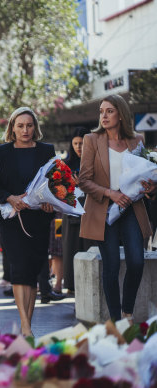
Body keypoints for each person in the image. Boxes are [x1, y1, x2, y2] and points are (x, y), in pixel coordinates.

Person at [79, 94, 154, 322]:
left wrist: (150, 186)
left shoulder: (137, 140)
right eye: (101, 111)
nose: (104, 115)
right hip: (103, 210)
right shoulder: (91, 139)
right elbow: (84, 180)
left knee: (136, 262)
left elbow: (145, 175)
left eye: (109, 111)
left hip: (132, 207)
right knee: (110, 267)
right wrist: (111, 193)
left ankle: (127, 312)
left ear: (120, 114)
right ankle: (115, 320)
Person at [0, 107, 55, 337]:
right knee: (19, 269)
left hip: (38, 218)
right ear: (12, 128)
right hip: (12, 219)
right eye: (20, 126)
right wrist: (10, 198)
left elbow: (54, 184)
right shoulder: (1, 152)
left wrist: (51, 202)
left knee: (33, 270)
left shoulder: (47, 150)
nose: (25, 130)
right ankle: (25, 326)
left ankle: (27, 325)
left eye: (29, 125)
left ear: (35, 127)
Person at [62, 127, 93, 294]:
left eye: (82, 143)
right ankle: (73, 288)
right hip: (71, 212)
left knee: (89, 250)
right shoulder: (66, 164)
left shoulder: (94, 162)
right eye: (75, 143)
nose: (78, 147)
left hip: (90, 212)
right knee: (71, 251)